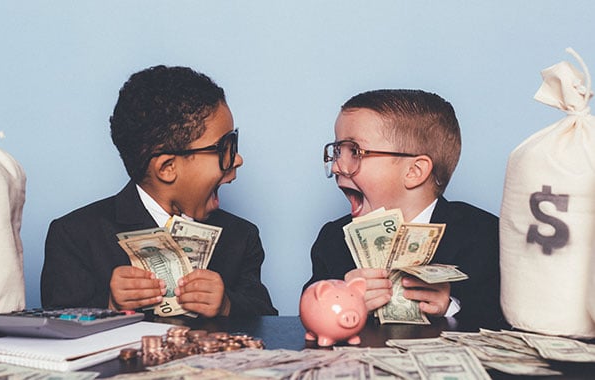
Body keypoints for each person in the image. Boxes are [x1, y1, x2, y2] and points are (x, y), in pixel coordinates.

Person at [41, 65, 277, 317]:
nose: (237, 158)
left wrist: (227, 305)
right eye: (224, 148)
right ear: (167, 168)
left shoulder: (241, 237)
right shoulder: (75, 236)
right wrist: (109, 305)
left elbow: (266, 320)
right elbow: (57, 325)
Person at [303, 89, 506, 327]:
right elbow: (307, 312)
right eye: (337, 151)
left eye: (354, 151)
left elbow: (504, 320)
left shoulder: (485, 235)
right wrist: (339, 300)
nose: (337, 166)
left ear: (414, 171)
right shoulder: (333, 239)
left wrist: (450, 306)